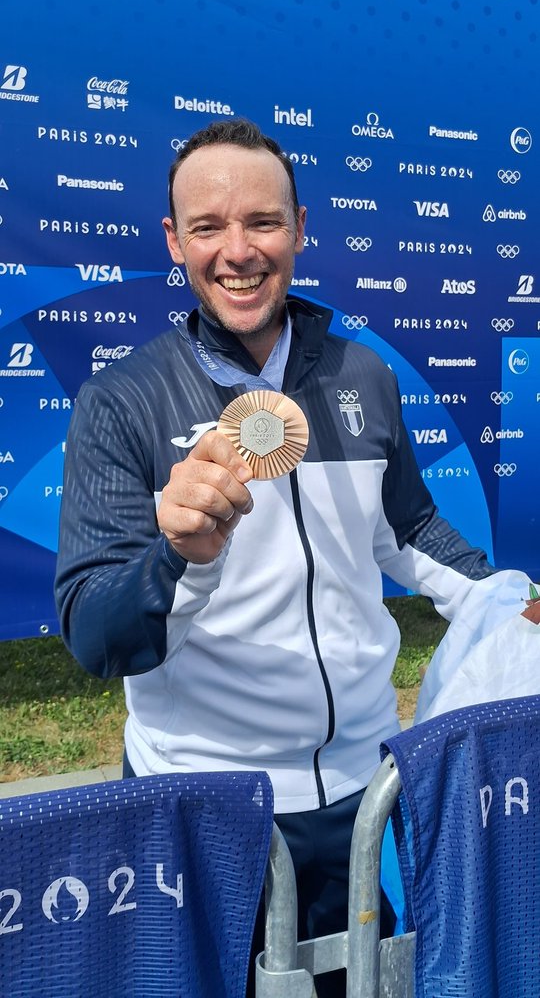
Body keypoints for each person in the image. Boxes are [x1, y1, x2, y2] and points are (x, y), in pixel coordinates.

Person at [55, 117, 532, 995]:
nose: (238, 251)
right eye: (208, 227)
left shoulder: (364, 375)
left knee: (368, 982)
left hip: (361, 793)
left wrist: (512, 597)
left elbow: (412, 534)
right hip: (208, 807)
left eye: (263, 223)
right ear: (175, 241)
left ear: (302, 228)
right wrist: (177, 557)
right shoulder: (121, 401)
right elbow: (98, 636)